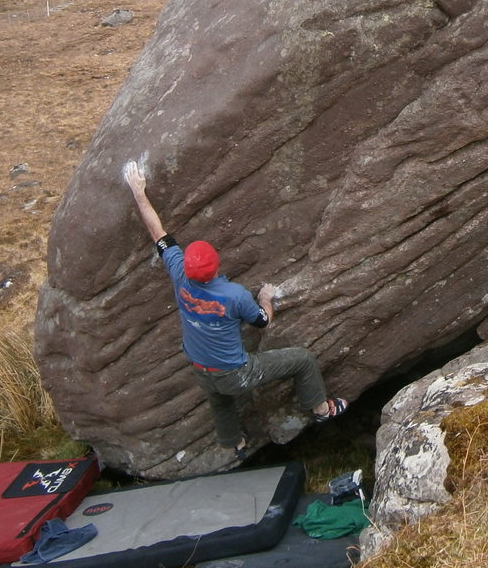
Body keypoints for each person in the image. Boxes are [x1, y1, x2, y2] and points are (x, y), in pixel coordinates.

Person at [121, 160, 345, 459]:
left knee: (219, 400)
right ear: (216, 267)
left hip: (200, 366)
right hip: (236, 373)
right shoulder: (234, 295)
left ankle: (235, 444)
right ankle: (320, 409)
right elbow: (262, 322)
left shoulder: (178, 273)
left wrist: (138, 192)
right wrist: (266, 297)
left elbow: (157, 232)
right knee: (302, 360)